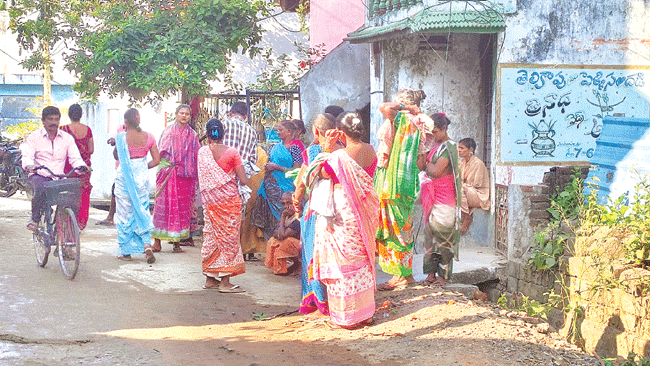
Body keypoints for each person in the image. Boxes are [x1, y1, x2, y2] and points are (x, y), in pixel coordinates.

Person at [306, 111, 380, 329]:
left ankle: (347, 317)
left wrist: (326, 150)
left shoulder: (338, 157)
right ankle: (365, 313)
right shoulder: (370, 150)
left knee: (343, 263)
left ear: (340, 131)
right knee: (362, 259)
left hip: (344, 212)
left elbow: (323, 174)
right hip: (365, 209)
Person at [375, 89, 435, 290]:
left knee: (393, 229)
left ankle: (399, 276)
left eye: (398, 101)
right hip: (408, 181)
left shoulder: (400, 117)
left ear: (402, 102)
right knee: (404, 227)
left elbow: (384, 107)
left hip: (391, 181)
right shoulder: (421, 124)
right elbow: (421, 162)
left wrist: (405, 107)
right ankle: (406, 274)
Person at [198, 118, 250, 293]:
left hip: (210, 205)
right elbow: (243, 179)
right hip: (229, 203)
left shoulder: (202, 152)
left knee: (211, 238)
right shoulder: (232, 153)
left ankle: (210, 279)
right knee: (229, 240)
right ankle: (225, 283)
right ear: (224, 134)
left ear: (207, 134)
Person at [293, 113, 337, 315]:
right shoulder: (342, 150)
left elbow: (300, 184)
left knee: (312, 253)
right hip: (338, 210)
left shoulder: (313, 152)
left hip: (315, 209)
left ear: (316, 131)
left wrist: (296, 204)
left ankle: (315, 298)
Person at [22, 106, 89, 230]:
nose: (53, 122)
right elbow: (27, 156)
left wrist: (81, 166)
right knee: (41, 189)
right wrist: (30, 165)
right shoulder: (34, 137)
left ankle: (68, 231)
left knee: (74, 195)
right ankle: (35, 218)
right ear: (43, 121)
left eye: (56, 119)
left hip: (59, 176)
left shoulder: (67, 138)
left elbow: (75, 158)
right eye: (50, 119)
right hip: (40, 174)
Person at [151, 104, 201, 253]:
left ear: (190, 117)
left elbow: (196, 156)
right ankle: (157, 242)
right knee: (162, 206)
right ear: (176, 115)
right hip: (168, 175)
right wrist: (169, 167)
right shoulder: (168, 132)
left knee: (181, 209)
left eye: (187, 114)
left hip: (185, 178)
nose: (184, 116)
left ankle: (177, 243)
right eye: (181, 113)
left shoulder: (192, 135)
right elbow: (161, 153)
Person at [113, 108, 160, 263]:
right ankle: (146, 243)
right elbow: (156, 160)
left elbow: (116, 156)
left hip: (124, 179)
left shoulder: (121, 138)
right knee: (142, 210)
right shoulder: (149, 137)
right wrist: (142, 167)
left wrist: (115, 143)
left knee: (124, 213)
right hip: (142, 178)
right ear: (138, 120)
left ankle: (126, 251)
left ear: (126, 122)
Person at [420, 113, 462, 286]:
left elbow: (436, 170)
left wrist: (425, 163)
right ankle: (430, 274)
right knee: (429, 235)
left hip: (445, 196)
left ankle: (443, 276)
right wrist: (423, 150)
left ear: (444, 129)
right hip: (432, 194)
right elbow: (421, 165)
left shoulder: (450, 146)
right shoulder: (433, 145)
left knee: (444, 234)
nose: (433, 135)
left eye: (435, 132)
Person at [221, 101, 261, 261]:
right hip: (240, 180)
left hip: (221, 176)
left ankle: (222, 252)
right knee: (236, 217)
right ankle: (234, 251)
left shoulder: (222, 125)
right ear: (245, 115)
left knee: (220, 215)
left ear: (231, 112)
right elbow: (253, 159)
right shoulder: (252, 131)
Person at [253, 120, 303, 240]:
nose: (278, 132)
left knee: (283, 215)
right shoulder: (276, 147)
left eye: (281, 130)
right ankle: (271, 244)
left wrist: (277, 167)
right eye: (277, 130)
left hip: (284, 189)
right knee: (269, 217)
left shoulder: (295, 149)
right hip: (269, 189)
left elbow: (296, 171)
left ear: (289, 131)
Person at [60, 103, 94, 230]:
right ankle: (80, 222)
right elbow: (91, 149)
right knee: (83, 194)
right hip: (84, 168)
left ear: (69, 115)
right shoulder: (88, 130)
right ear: (81, 115)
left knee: (66, 194)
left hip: (68, 168)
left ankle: (67, 222)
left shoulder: (63, 129)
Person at [458, 138, 490, 233]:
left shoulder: (478, 163)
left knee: (461, 188)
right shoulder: (461, 162)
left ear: (471, 150)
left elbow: (477, 184)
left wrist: (463, 185)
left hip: (479, 195)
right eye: (458, 147)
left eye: (462, 148)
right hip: (467, 192)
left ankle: (466, 216)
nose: (459, 150)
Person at [264, 191, 301, 275]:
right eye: (284, 204)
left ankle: (298, 265)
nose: (286, 207)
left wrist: (283, 217)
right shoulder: (289, 216)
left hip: (302, 247)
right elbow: (275, 233)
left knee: (286, 242)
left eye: (289, 203)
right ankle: (281, 267)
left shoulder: (299, 217)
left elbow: (282, 235)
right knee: (273, 240)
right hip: (294, 244)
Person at [97, 124, 126, 227]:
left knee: (117, 190)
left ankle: (111, 217)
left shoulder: (136, 133)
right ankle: (110, 217)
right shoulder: (121, 129)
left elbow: (116, 154)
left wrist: (117, 143)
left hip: (129, 169)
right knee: (115, 190)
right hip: (121, 168)